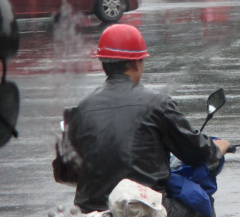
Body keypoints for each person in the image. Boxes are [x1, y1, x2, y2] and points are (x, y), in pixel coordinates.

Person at [53, 24, 230, 215]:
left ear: (103, 63)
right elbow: (194, 151)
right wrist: (215, 149)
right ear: (136, 63)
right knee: (199, 204)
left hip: (90, 211)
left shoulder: (77, 112)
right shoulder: (158, 104)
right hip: (143, 209)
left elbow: (64, 173)